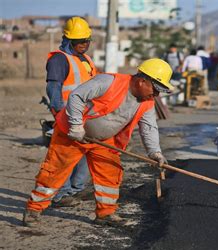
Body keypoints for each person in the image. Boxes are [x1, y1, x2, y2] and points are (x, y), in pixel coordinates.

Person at [23, 58, 172, 227]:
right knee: (55, 172)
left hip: (103, 140)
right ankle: (34, 210)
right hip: (71, 134)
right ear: (142, 81)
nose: (156, 95)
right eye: (156, 89)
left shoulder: (147, 103)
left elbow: (149, 127)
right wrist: (77, 126)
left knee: (109, 173)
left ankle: (106, 213)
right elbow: (77, 96)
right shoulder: (109, 82)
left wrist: (155, 152)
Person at [46, 16, 96, 207]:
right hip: (67, 114)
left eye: (86, 40)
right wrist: (59, 113)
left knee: (84, 151)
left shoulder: (86, 59)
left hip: (87, 115)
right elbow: (53, 87)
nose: (83, 44)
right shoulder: (60, 59)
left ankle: (76, 189)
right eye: (79, 41)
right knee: (65, 155)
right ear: (68, 40)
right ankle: (61, 194)